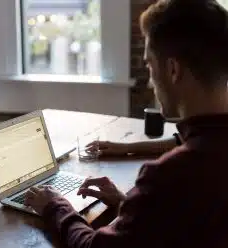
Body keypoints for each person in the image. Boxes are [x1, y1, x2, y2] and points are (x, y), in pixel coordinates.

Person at [24, 0, 228, 247]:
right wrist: (130, 205)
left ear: (173, 70)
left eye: (150, 65)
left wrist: (55, 206)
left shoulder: (168, 176)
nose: (150, 83)